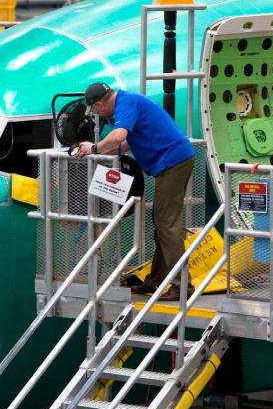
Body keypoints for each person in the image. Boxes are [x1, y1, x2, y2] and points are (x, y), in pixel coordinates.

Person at [76, 82, 195, 301]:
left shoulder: (125, 103)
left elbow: (118, 137)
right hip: (171, 162)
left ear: (100, 106)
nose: (97, 114)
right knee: (162, 223)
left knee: (167, 224)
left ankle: (183, 286)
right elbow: (127, 143)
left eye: (94, 110)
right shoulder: (128, 100)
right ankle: (156, 281)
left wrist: (93, 148)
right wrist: (99, 152)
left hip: (173, 162)